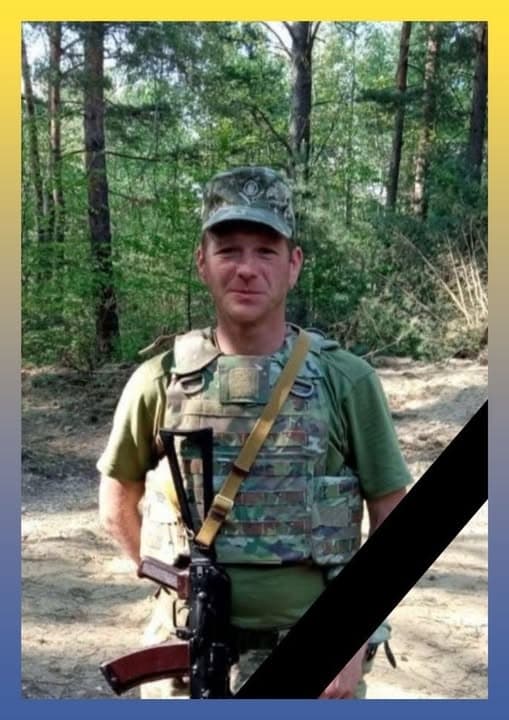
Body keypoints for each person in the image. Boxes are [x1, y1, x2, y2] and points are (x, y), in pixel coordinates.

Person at [97, 166, 411, 699]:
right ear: (202, 262)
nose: (246, 268)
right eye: (228, 250)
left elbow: (391, 512)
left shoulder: (346, 380)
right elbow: (116, 501)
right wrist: (168, 581)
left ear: (294, 264)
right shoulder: (157, 380)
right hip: (187, 652)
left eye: (266, 251)